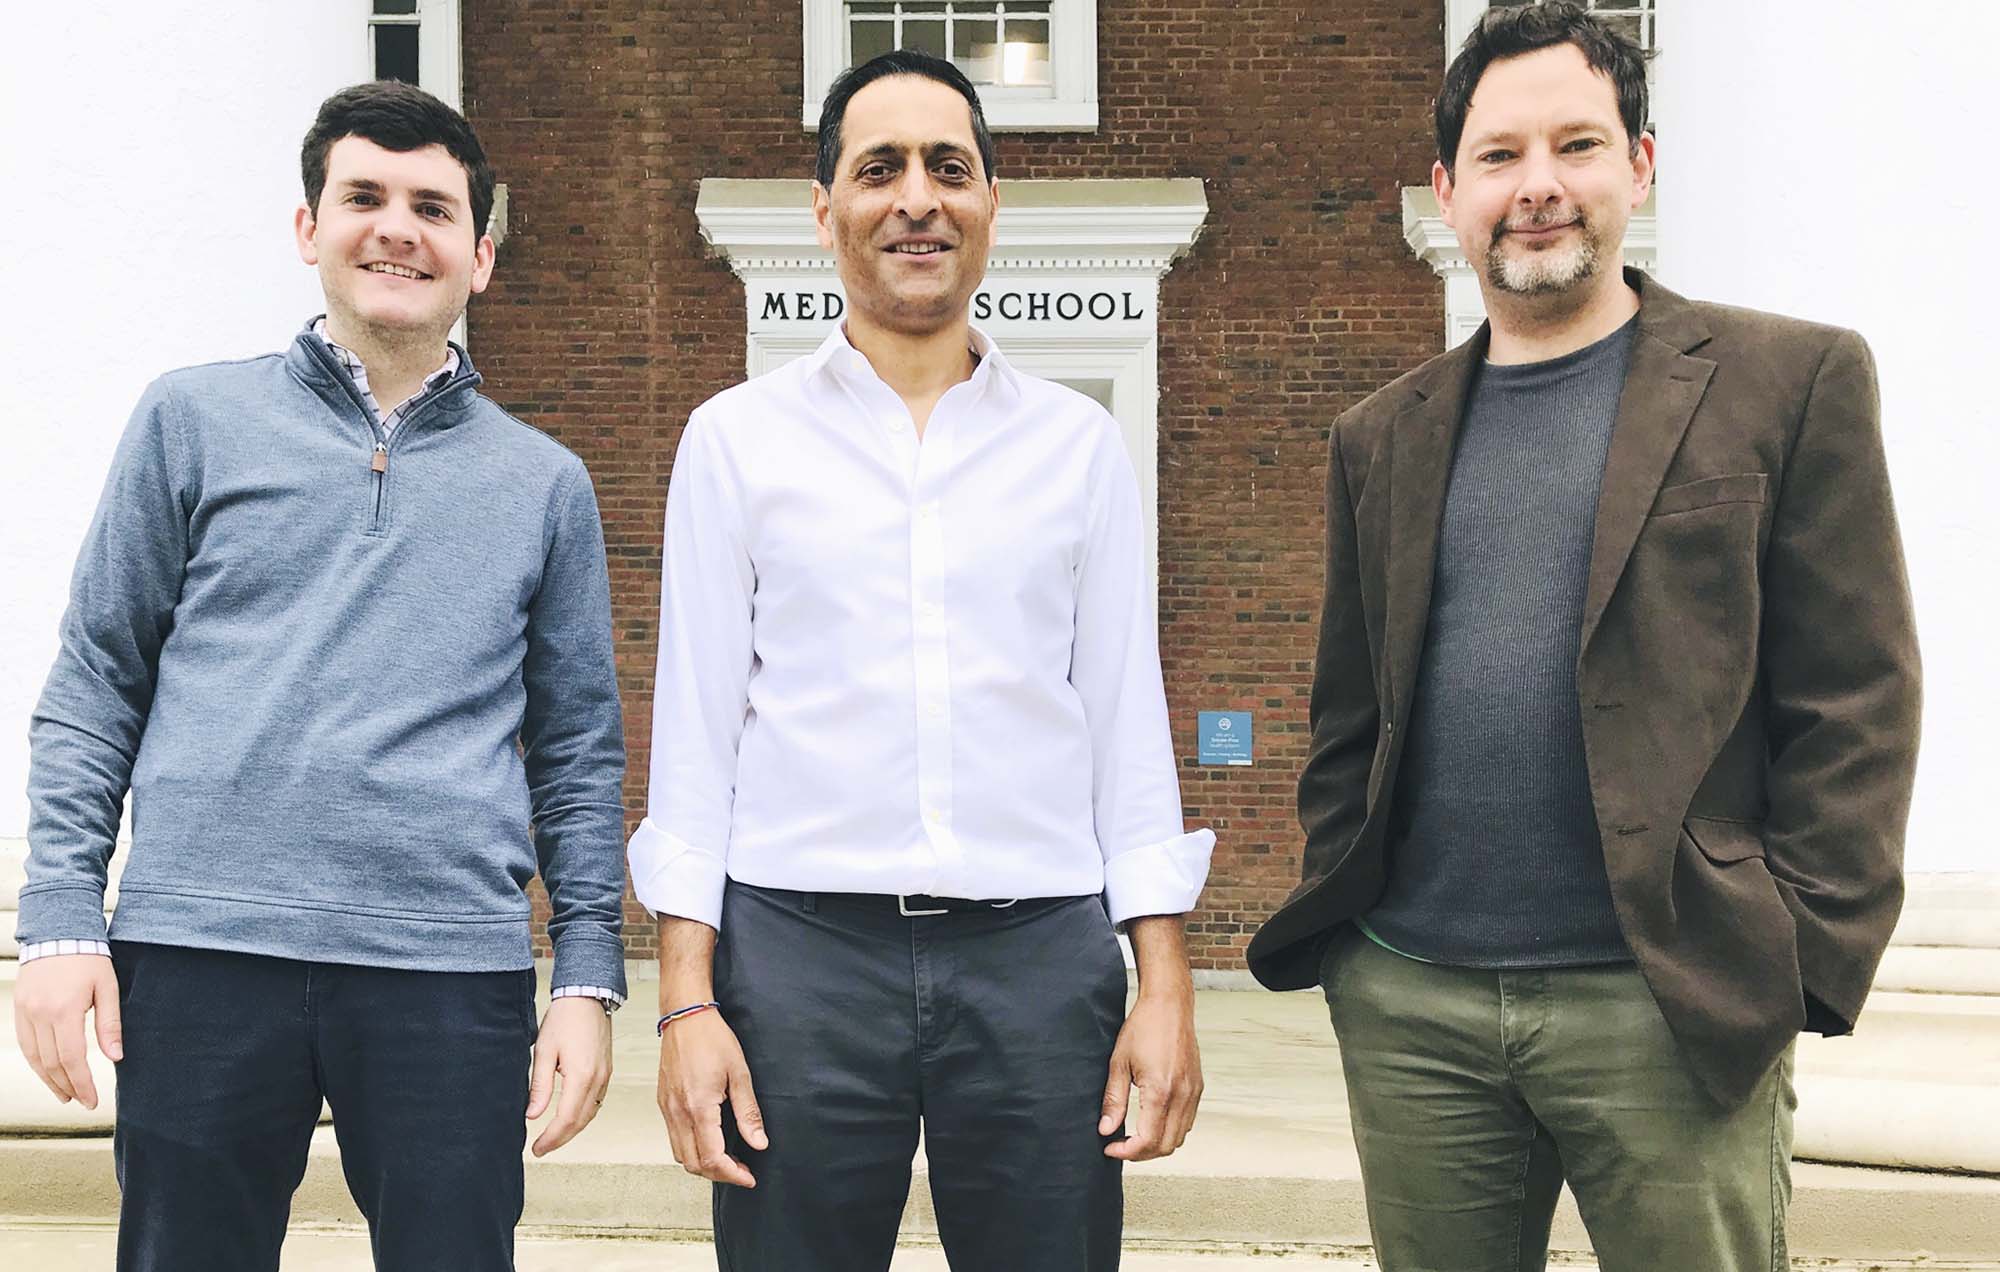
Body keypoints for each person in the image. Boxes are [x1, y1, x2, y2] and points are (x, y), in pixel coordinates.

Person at [1245, 5, 1921, 1269]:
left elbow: (1855, 696)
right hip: (1415, 1007)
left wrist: (1798, 961)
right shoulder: (1375, 436)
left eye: (1576, 145)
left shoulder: (1789, 381)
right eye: (1499, 156)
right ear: (1448, 191)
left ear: (1638, 165)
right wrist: (1353, 956)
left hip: (1668, 1002)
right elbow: (1349, 713)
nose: (1537, 187)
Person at [11, 79, 628, 1271]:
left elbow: (576, 747)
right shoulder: (188, 419)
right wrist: (57, 921)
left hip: (447, 969)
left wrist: (587, 977)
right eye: (364, 197)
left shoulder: (544, 483)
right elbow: (96, 680)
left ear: (479, 256)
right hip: (200, 953)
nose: (398, 227)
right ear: (309, 229)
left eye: (434, 208)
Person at [630, 50, 1214, 1272]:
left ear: (991, 204)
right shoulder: (733, 444)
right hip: (798, 961)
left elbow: (1125, 727)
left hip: (1039, 961)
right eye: (876, 168)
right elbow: (693, 739)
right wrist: (687, 1002)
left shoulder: (1080, 448)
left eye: (948, 168)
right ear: (824, 209)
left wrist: (1163, 990)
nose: (915, 199)